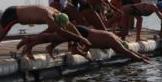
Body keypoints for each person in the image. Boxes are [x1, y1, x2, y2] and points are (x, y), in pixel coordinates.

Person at [0, 5, 91, 67]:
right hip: (13, 16)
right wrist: (81, 39)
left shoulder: (56, 13)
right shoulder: (49, 16)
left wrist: (80, 37)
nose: (56, 27)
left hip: (12, 10)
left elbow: (70, 27)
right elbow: (61, 32)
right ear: (56, 21)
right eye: (58, 25)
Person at [17, 25, 152, 64]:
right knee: (51, 36)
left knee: (58, 38)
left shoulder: (115, 38)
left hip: (85, 32)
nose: (121, 48)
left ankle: (48, 47)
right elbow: (127, 52)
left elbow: (128, 50)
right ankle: (29, 40)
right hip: (83, 33)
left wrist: (140, 55)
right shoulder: (114, 41)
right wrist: (141, 59)